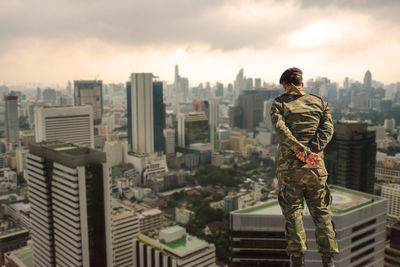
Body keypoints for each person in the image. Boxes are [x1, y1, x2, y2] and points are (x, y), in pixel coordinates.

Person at [270, 67, 339, 267]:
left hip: (290, 170)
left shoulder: (279, 104)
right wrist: (311, 153)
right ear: (302, 84)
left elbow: (282, 131)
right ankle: (328, 261)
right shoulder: (320, 103)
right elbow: (328, 130)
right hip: (316, 170)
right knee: (322, 213)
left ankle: (298, 261)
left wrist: (302, 152)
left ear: (285, 85)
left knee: (293, 213)